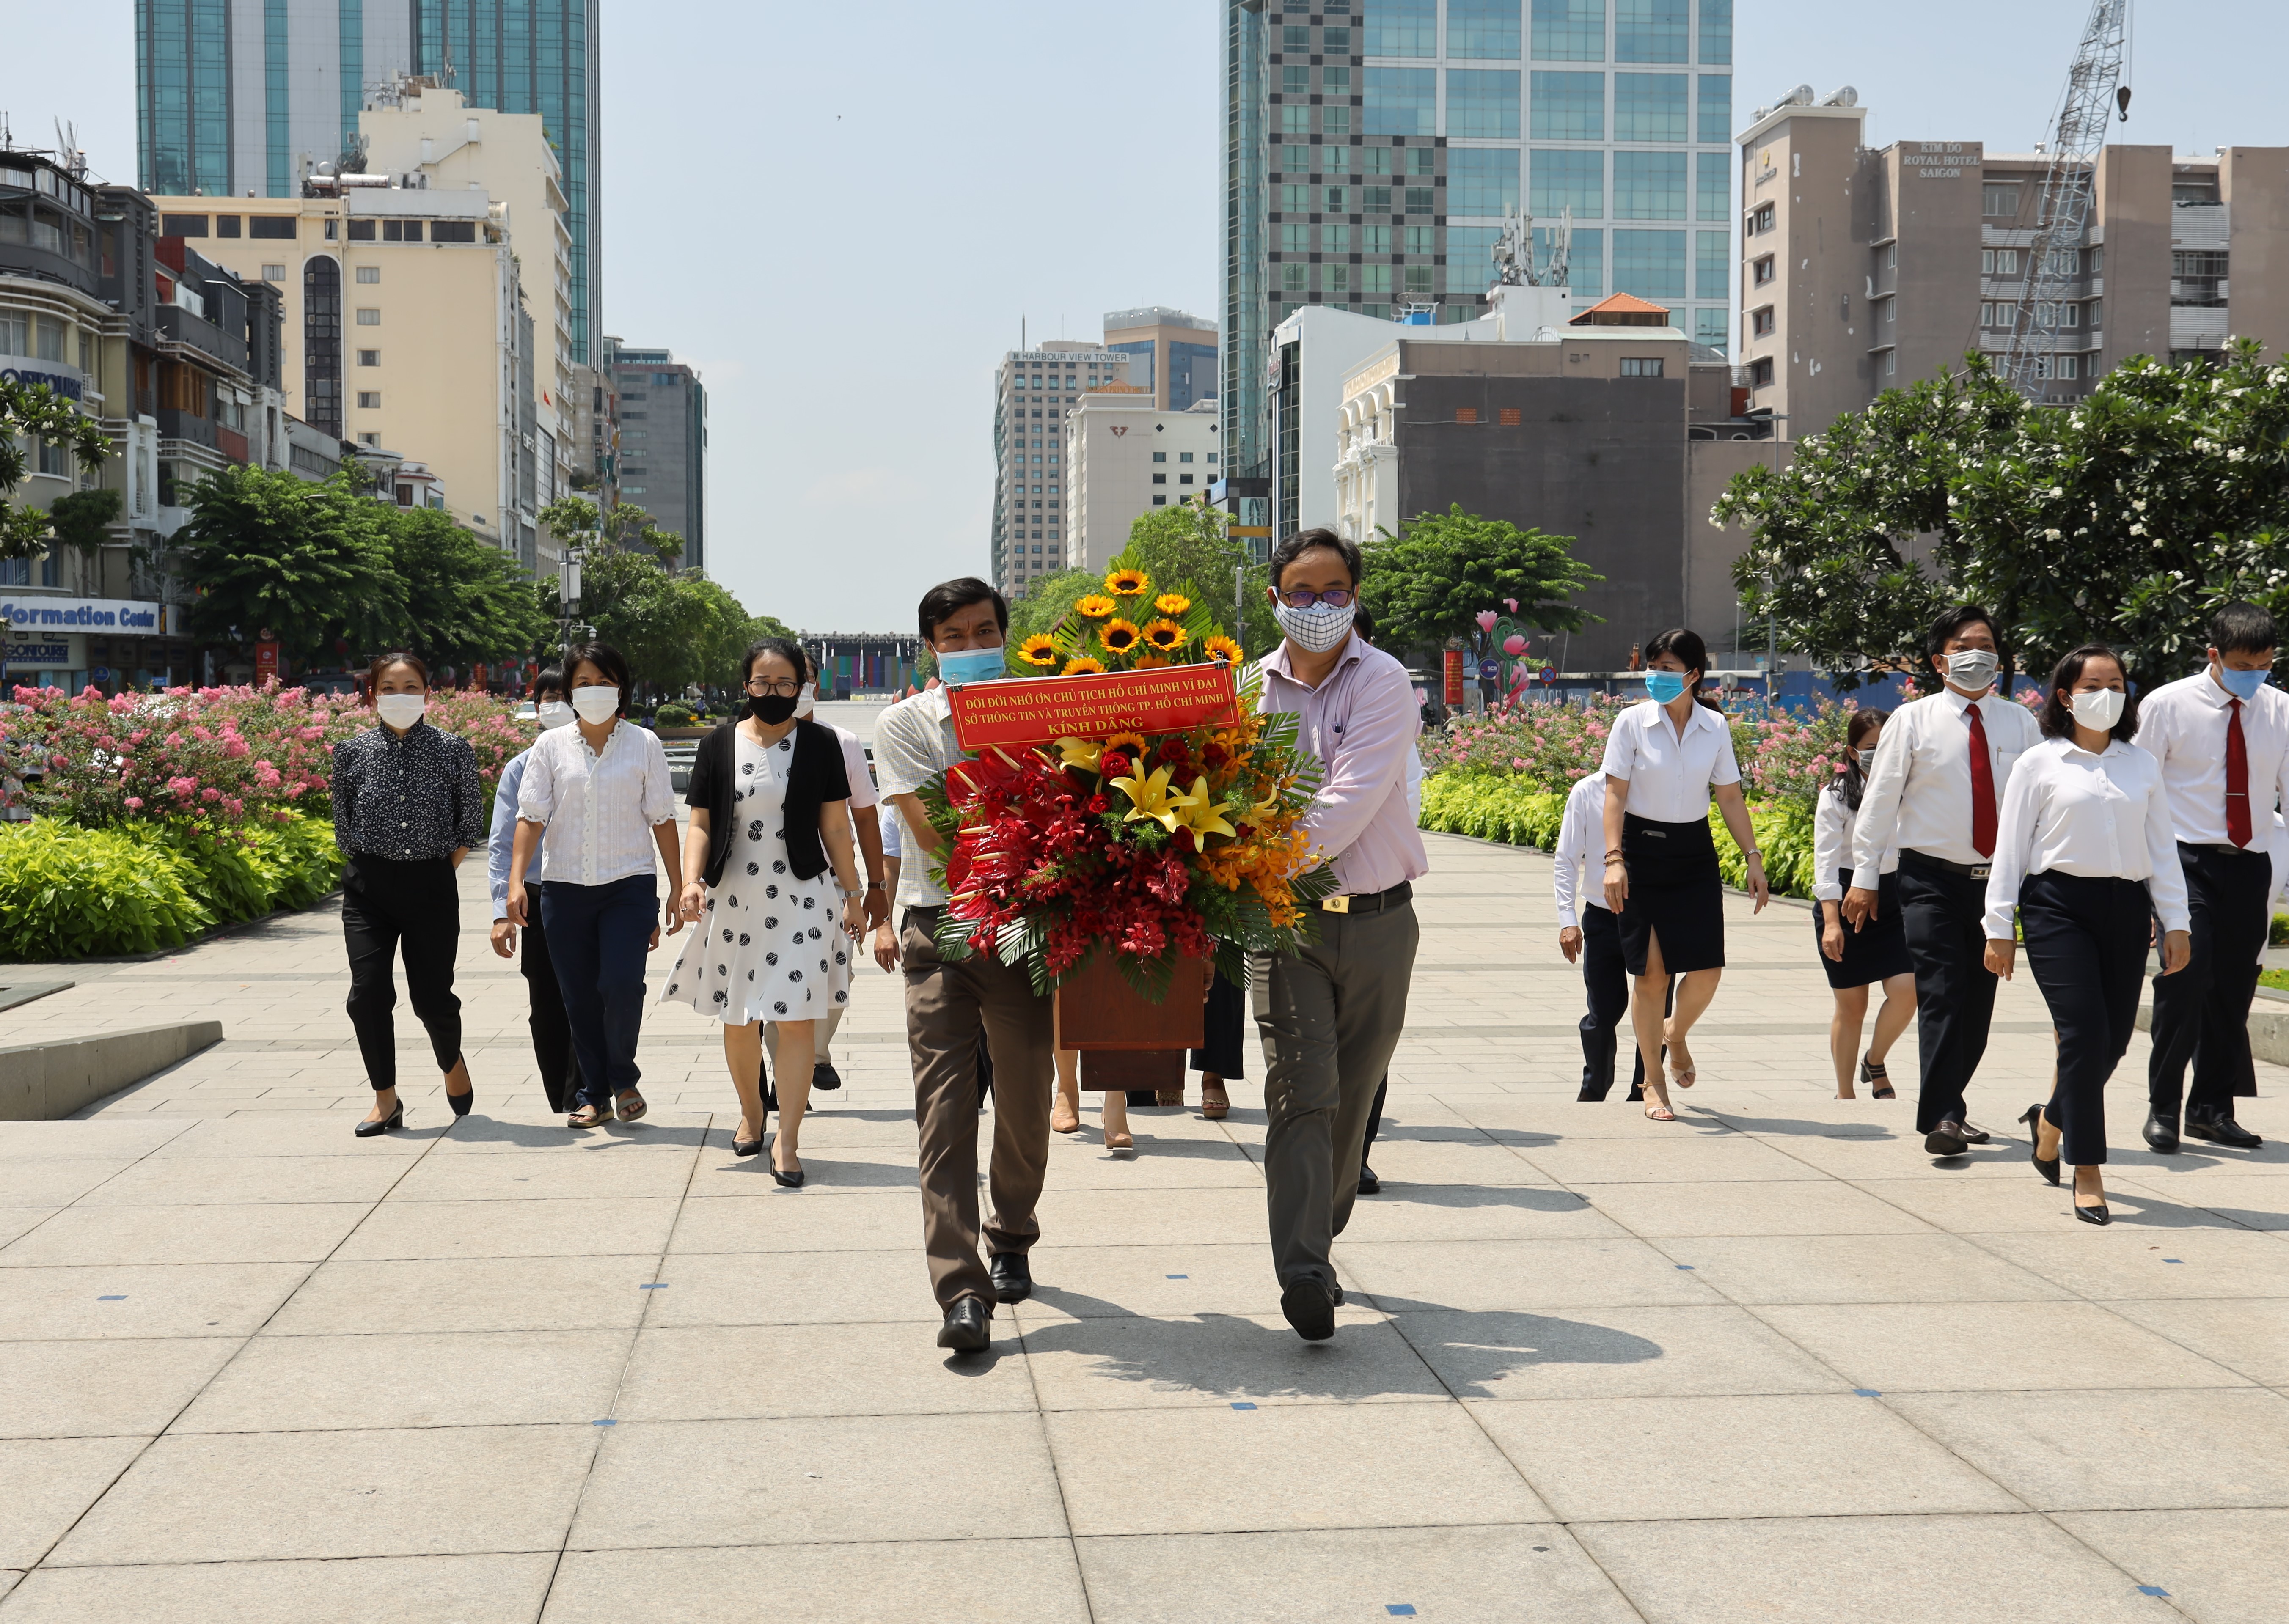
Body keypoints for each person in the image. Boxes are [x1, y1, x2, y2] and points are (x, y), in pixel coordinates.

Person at [1251, 528, 1426, 1342]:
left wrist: (1257, 854)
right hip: (1285, 924)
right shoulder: (1249, 691)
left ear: (1355, 595)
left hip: (1382, 920)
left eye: (1332, 591)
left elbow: (1353, 797)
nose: (1316, 607)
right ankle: (1305, 1271)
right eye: (1300, 590)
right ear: (1275, 596)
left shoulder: (1385, 681)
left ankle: (1318, 1230)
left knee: (1351, 1105)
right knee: (1300, 1091)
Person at [877, 579, 1056, 1352]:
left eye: (985, 630)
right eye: (954, 635)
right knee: (944, 1111)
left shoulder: (1046, 713)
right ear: (931, 646)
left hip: (1022, 929)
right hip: (940, 926)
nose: (972, 645)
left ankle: (1011, 1227)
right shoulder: (903, 724)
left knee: (1025, 1092)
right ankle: (960, 1287)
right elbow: (940, 834)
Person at [1984, 645, 2190, 1224]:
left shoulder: (2140, 763)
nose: (2105, 692)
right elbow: (2010, 849)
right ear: (2065, 695)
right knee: (2081, 1033)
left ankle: (2050, 1121)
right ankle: (2087, 1167)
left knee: (2114, 1040)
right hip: (2056, 907)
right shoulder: (2038, 762)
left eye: (2115, 682)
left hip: (2125, 906)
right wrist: (1997, 926)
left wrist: (2176, 922)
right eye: (2092, 683)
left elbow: (2161, 850)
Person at [1846, 604, 2043, 1157]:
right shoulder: (1911, 721)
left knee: (1976, 1006)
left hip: (1995, 885)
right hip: (1927, 879)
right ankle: (1943, 1114)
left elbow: (2036, 806)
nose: (1976, 653)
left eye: (1986, 644)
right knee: (1940, 992)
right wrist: (1864, 877)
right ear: (1939, 660)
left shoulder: (2019, 723)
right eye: (1963, 644)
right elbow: (1880, 801)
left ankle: (1950, 1102)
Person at [666, 638, 865, 1183]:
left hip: (804, 897)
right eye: (762, 683)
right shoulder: (718, 744)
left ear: (800, 687)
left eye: (785, 684)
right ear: (745, 684)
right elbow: (702, 822)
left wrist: (854, 895)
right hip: (734, 899)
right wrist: (689, 881)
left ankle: (789, 1139)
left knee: (797, 1018)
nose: (773, 692)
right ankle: (753, 1114)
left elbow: (835, 828)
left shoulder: (822, 744)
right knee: (740, 1018)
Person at [506, 642, 684, 1130]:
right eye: (583, 682)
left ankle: (623, 1077)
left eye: (604, 681)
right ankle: (593, 1094)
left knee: (621, 984)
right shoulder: (550, 746)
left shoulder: (644, 744)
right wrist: (515, 882)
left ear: (621, 687)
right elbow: (530, 816)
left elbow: (664, 818)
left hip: (628, 884)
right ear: (568, 691)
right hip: (564, 888)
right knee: (579, 994)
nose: (594, 690)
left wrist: (677, 884)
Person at [1599, 628, 1770, 1122]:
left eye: (1668, 669)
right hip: (1641, 854)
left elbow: (1730, 796)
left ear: (1694, 675)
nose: (1657, 676)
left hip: (1694, 855)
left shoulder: (1714, 728)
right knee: (1653, 975)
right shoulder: (1631, 723)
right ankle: (1652, 1081)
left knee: (1707, 970)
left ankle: (1675, 1033)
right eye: (1653, 667)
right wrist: (1614, 860)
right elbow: (1614, 794)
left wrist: (1753, 856)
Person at [2131, 602, 2285, 1151]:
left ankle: (2211, 1107)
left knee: (2235, 985)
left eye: (2265, 663)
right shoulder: (2166, 706)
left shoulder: (2279, 709)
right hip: (2182, 859)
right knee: (2184, 977)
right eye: (2244, 663)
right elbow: (2138, 790)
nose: (2256, 674)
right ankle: (2163, 1106)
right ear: (2213, 655)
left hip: (2250, 859)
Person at [333, 652, 483, 1137]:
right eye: (390, 687)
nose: (401, 696)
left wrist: (437, 870)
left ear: (427, 693)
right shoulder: (350, 752)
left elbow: (470, 824)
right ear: (373, 694)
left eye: (411, 686)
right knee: (368, 993)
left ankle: (451, 1058)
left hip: (431, 885)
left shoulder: (453, 749)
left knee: (432, 997)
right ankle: (386, 1099)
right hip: (368, 889)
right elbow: (344, 825)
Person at [760, 676, 893, 1094]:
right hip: (767, 884)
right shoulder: (747, 741)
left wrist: (874, 887)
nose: (792, 690)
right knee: (777, 980)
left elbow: (866, 816)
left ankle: (816, 1054)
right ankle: (789, 1078)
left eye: (799, 681)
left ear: (814, 687)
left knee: (838, 975)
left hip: (833, 883)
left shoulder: (843, 742)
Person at [488, 670, 583, 1113]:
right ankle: (560, 1095)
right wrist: (500, 909)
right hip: (541, 896)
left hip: (596, 891)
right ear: (537, 706)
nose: (558, 705)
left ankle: (591, 1086)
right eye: (550, 698)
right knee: (546, 998)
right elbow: (502, 842)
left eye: (567, 696)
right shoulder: (519, 767)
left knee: (600, 992)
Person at [1812, 709, 1917, 1100]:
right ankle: (1845, 1095)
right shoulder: (1836, 795)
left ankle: (1875, 1059)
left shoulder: (1913, 788)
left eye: (1885, 746)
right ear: (1854, 753)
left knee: (1909, 991)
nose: (1878, 754)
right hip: (1845, 898)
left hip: (1896, 898)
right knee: (1852, 1006)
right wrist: (1832, 922)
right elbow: (1824, 860)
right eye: (1870, 748)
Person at [1554, 769, 1654, 1104]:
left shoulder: (1659, 789)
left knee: (1656, 1007)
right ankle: (1594, 1089)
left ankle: (1647, 1090)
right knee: (1602, 1013)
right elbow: (1567, 858)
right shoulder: (1587, 791)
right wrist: (1568, 920)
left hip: (1652, 918)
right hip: (1602, 916)